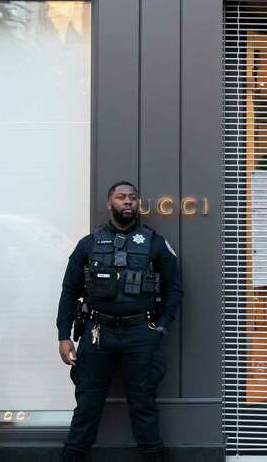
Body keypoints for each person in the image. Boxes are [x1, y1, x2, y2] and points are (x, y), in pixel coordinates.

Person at [57, 181, 182, 462]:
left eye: (133, 198)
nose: (128, 202)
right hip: (98, 333)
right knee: (87, 404)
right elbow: (69, 291)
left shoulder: (155, 243)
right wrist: (64, 335)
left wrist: (160, 327)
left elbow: (175, 288)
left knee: (144, 405)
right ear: (109, 203)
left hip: (141, 334)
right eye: (121, 197)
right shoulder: (88, 244)